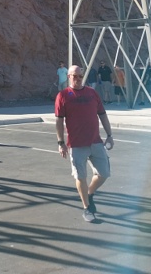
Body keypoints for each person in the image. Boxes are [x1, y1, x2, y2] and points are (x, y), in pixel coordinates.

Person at [55, 64, 114, 223]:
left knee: (104, 173)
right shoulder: (63, 95)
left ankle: (89, 193)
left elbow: (102, 114)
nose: (78, 79)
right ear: (69, 77)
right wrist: (61, 142)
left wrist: (109, 135)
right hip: (76, 145)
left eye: (80, 76)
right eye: (74, 76)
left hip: (96, 142)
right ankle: (87, 207)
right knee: (80, 176)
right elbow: (59, 121)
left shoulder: (92, 93)